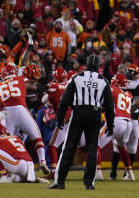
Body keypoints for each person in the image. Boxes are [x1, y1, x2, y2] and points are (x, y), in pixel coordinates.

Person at [50, 53, 115, 190]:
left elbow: (64, 100)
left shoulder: (76, 77)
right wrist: (110, 123)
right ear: (97, 67)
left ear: (86, 65)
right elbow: (109, 106)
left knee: (69, 147)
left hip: (79, 112)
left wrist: (60, 117)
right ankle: (89, 183)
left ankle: (60, 182)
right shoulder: (104, 81)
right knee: (92, 148)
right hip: (95, 114)